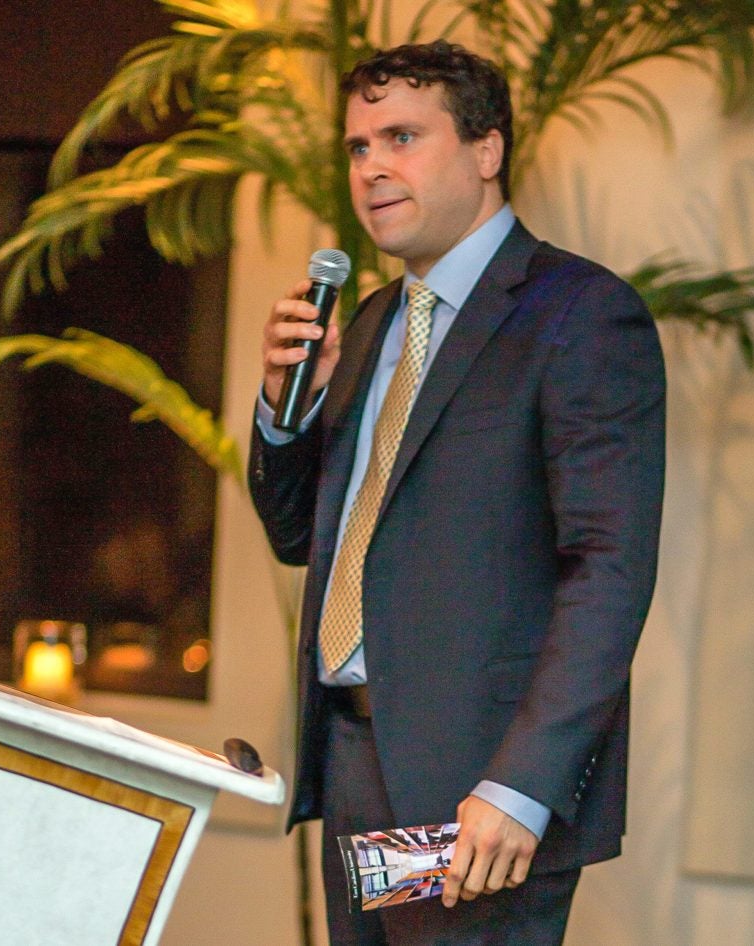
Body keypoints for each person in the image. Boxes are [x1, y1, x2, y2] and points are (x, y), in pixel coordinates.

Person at [248, 40, 666, 946]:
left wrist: (523, 787)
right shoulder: (366, 326)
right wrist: (288, 413)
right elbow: (300, 537)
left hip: (481, 797)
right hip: (354, 760)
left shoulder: (580, 314)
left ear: (487, 151)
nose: (372, 168)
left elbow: (610, 569)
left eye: (402, 136)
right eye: (358, 147)